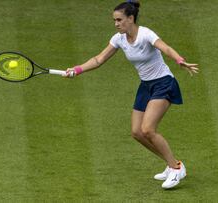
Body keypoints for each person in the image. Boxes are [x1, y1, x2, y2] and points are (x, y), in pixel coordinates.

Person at [65, 0, 198, 189]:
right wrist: (78, 70)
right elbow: (99, 59)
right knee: (137, 132)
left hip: (163, 83)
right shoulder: (118, 39)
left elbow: (165, 47)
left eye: (119, 20)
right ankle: (172, 164)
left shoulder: (146, 34)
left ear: (131, 18)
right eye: (114, 21)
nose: (116, 24)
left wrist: (179, 60)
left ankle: (176, 168)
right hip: (146, 86)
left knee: (148, 129)